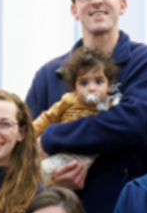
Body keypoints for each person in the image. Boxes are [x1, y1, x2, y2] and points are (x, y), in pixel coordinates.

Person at [25, 0, 147, 213]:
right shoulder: (50, 75)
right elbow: (24, 147)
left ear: (122, 4)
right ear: (74, 9)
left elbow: (136, 122)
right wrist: (48, 182)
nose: (96, 0)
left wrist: (54, 136)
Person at [31, 46, 116, 181]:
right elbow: (48, 118)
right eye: (84, 83)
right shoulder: (68, 100)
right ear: (75, 88)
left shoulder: (111, 106)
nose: (91, 88)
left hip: (94, 158)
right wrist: (31, 134)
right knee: (42, 171)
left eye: (98, 81)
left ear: (109, 85)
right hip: (65, 153)